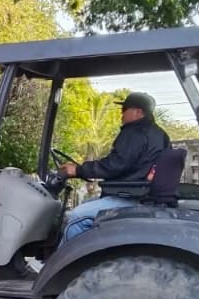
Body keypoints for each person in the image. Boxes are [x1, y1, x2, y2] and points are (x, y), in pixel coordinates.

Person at [58, 91, 170, 242]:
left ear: (138, 112)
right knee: (86, 204)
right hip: (144, 196)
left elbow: (115, 165)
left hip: (130, 198)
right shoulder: (160, 135)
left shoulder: (134, 132)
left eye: (124, 110)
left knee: (75, 217)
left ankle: (66, 264)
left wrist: (77, 169)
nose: (121, 115)